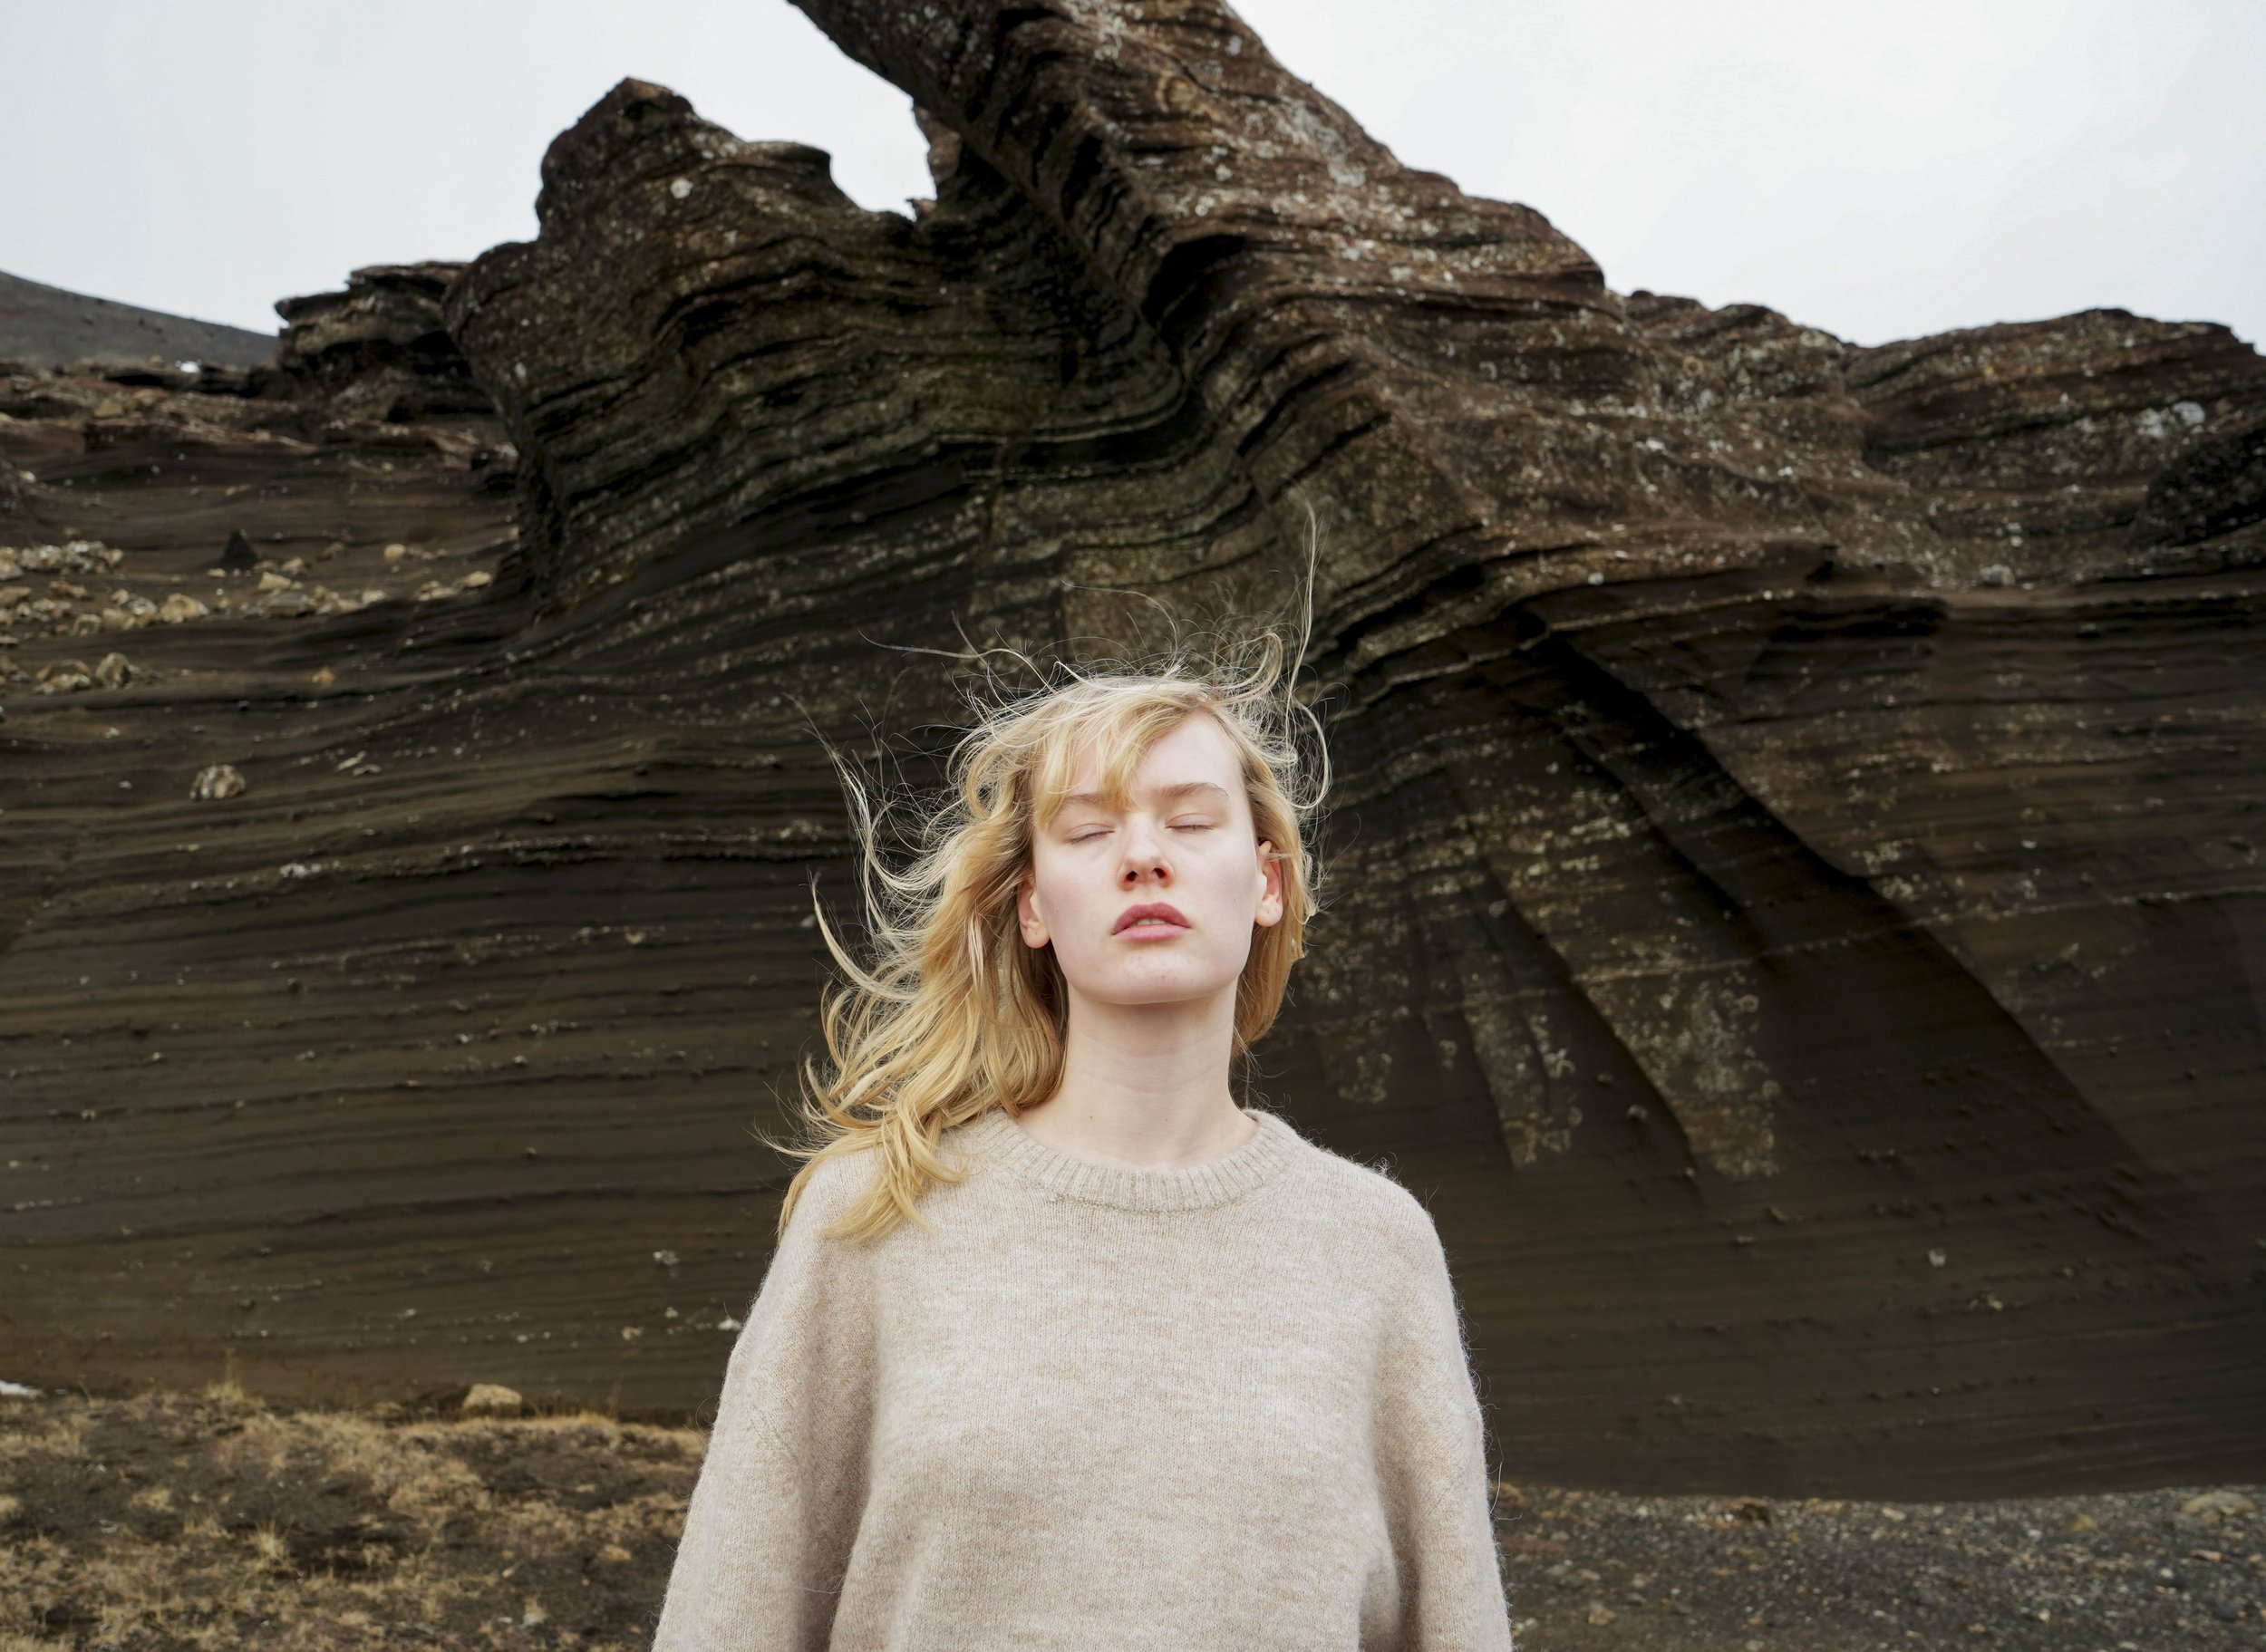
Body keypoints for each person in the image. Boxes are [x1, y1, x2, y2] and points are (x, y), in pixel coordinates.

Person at [650, 594, 1515, 1648]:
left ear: (1268, 882)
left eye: (1191, 821)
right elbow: (727, 1615)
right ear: (1030, 905)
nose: (1143, 855)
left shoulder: (1377, 1247)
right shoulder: (876, 1217)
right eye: (1089, 827)